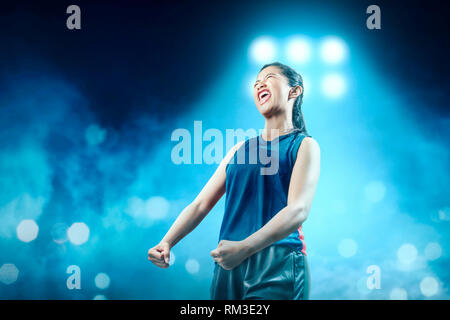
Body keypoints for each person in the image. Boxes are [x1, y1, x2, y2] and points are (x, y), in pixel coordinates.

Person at [148, 62, 321, 300]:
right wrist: (166, 242)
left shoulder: (303, 145)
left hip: (277, 263)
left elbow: (297, 210)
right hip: (228, 266)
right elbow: (201, 204)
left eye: (269, 78)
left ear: (295, 91)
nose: (260, 84)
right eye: (256, 83)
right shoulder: (240, 149)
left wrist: (245, 248)